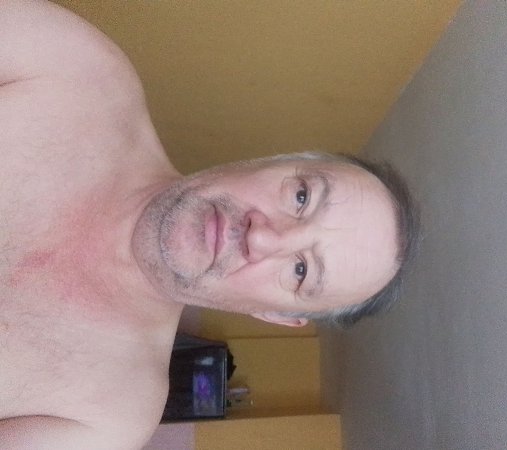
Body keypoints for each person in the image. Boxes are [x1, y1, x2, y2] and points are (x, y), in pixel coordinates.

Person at [0, 1, 417, 448]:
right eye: (302, 197)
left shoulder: (105, 417)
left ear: (276, 315)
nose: (262, 237)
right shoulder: (76, 72)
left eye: (301, 270)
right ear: (270, 161)